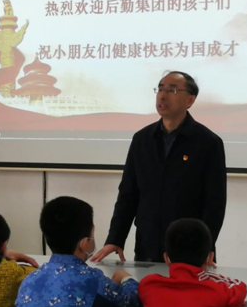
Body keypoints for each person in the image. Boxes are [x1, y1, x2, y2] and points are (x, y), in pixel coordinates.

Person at [92, 71, 227, 264]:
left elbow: (215, 203)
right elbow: (128, 194)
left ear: (190, 100)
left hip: (190, 248)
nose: (162, 96)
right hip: (147, 244)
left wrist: (206, 247)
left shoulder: (208, 142)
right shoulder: (142, 139)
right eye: (160, 89)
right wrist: (115, 238)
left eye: (172, 90)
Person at [14, 196, 141, 307]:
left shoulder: (29, 280)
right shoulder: (93, 280)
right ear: (85, 243)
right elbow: (133, 301)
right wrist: (126, 278)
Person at [137, 218, 247, 307]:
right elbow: (240, 287)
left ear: (166, 258)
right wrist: (206, 276)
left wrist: (124, 277)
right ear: (210, 258)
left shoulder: (149, 285)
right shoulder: (216, 293)